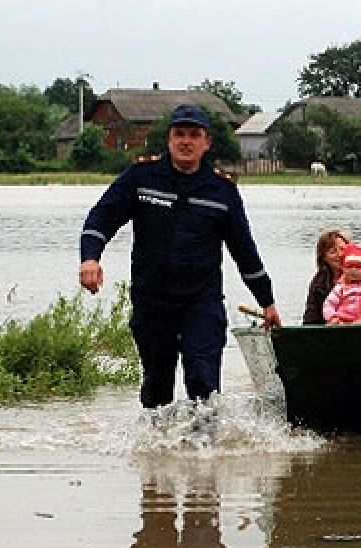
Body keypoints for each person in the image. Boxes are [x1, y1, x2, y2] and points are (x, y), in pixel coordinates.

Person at [78, 103, 281, 409]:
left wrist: (267, 301)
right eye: (179, 134)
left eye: (194, 135)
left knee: (204, 383)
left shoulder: (222, 191)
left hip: (201, 301)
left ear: (207, 142)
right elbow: (101, 218)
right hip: (152, 299)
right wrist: (90, 258)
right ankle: (158, 452)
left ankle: (203, 450)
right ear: (169, 139)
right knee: (157, 385)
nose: (186, 141)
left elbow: (245, 252)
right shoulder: (141, 177)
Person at [302, 229, 361, 324]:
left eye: (342, 249)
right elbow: (310, 320)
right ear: (324, 258)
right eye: (333, 252)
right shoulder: (319, 283)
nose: (339, 255)